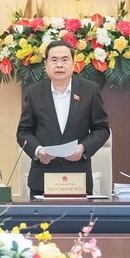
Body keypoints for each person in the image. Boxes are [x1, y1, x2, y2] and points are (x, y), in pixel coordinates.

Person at [16, 39, 110, 197]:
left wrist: (83, 148)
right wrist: (38, 151)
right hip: (42, 181)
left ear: (73, 64)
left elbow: (101, 129)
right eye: (54, 60)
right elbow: (23, 132)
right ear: (46, 65)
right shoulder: (34, 93)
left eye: (64, 60)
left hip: (77, 179)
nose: (59, 65)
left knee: (78, 222)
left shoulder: (89, 90)